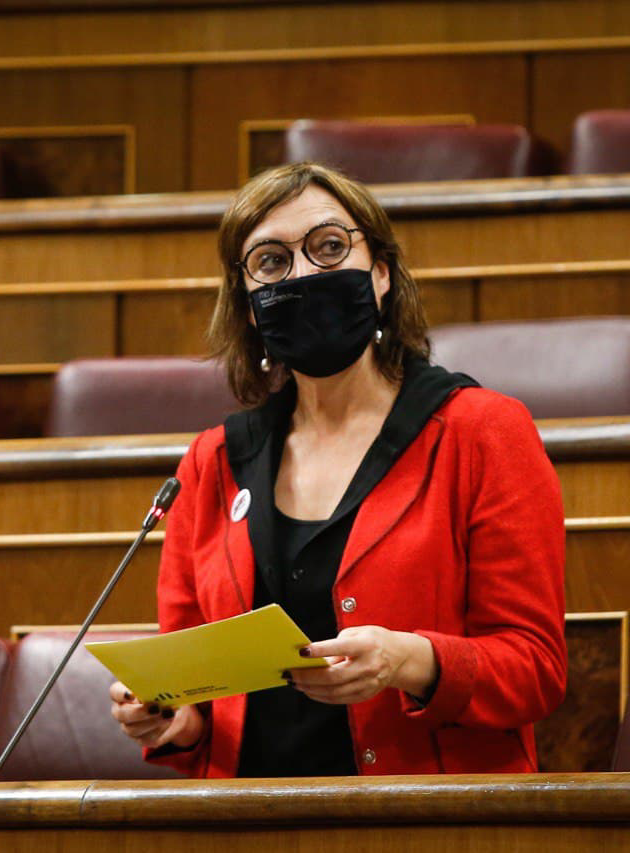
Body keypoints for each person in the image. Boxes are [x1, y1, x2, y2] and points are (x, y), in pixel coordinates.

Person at [109, 162, 566, 777]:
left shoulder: (481, 432)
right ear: (248, 306)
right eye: (271, 261)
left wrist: (409, 661)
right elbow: (200, 692)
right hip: (247, 822)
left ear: (380, 273)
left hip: (426, 822)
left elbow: (536, 670)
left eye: (328, 247)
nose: (303, 275)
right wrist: (174, 720)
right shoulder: (212, 461)